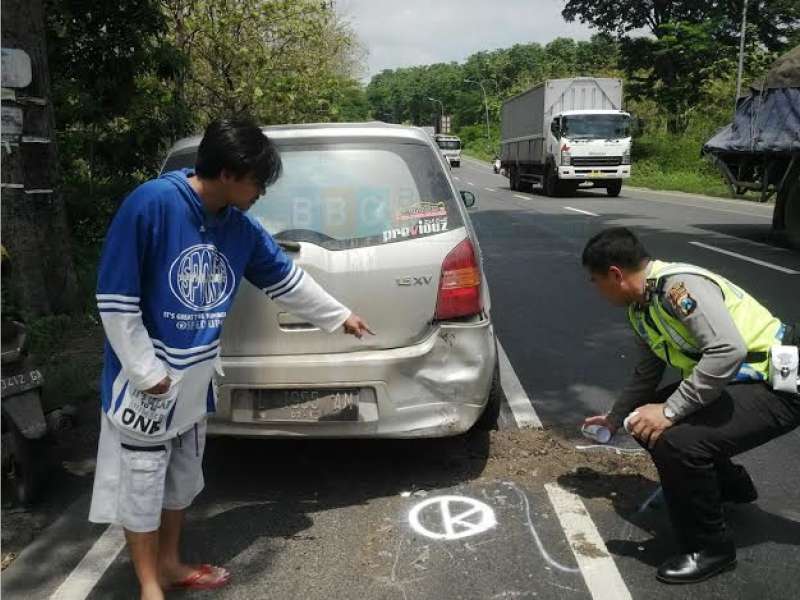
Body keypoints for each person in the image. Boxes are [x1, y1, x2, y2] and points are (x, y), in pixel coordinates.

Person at [88, 119, 373, 600]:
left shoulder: (239, 228)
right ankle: (149, 586)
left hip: (196, 380)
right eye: (257, 180)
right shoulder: (152, 205)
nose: (261, 191)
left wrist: (339, 315)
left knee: (181, 479)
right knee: (141, 482)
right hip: (144, 383)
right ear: (227, 172)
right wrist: (146, 371)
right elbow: (116, 299)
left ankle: (171, 563)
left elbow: (285, 278)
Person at [581, 227, 799, 584]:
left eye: (595, 280)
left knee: (677, 442)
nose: (595, 290)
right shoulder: (640, 308)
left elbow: (728, 350)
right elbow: (646, 372)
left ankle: (710, 549)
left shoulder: (678, 289)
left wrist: (669, 412)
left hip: (778, 384)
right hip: (737, 381)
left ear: (616, 275)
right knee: (643, 419)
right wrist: (615, 418)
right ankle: (730, 487)